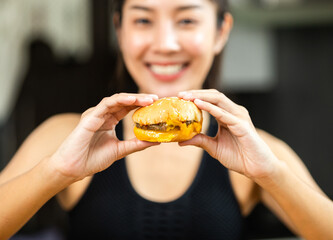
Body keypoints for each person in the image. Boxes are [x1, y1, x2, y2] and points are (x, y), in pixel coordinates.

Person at [0, 0, 332, 239]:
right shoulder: (63, 136)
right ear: (120, 29)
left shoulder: (258, 151)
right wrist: (55, 172)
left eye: (186, 20)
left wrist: (272, 174)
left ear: (220, 31)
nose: (165, 44)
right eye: (143, 20)